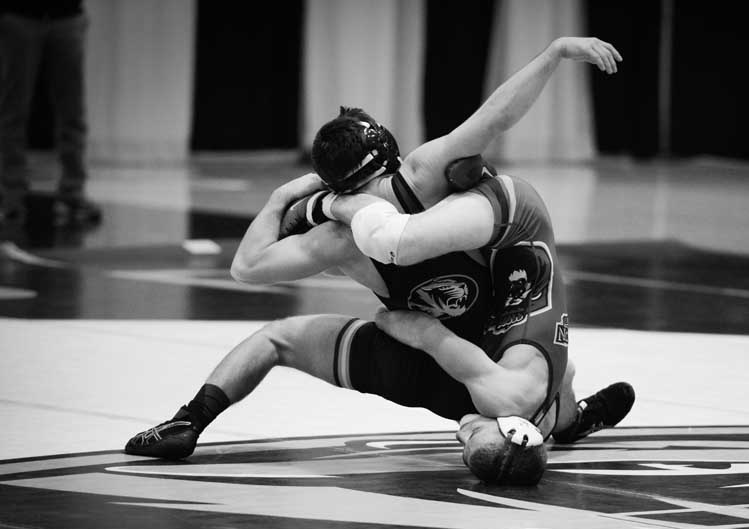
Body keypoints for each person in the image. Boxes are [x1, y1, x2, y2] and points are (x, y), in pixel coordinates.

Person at [125, 37, 632, 483]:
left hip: (424, 353)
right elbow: (496, 116)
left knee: (275, 338)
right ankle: (563, 421)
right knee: (543, 381)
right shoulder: (422, 175)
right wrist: (553, 55)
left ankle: (190, 419)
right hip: (482, 348)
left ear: (331, 183)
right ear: (387, 150)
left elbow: (246, 267)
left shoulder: (335, 240)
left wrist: (285, 197)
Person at [0, 0, 102, 242]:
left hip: (67, 15)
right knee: (13, 110)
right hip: (20, 16)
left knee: (72, 111)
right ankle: (11, 192)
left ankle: (73, 191)